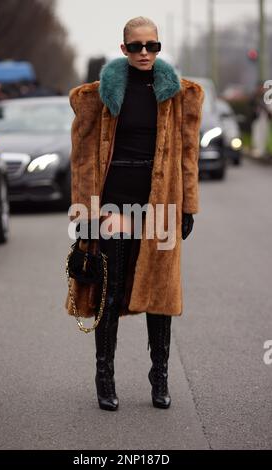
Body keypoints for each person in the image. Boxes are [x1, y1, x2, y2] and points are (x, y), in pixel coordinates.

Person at [65, 16, 204, 411]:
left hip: (159, 206)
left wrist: (189, 206)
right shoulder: (97, 96)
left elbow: (188, 157)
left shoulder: (179, 96)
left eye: (153, 46)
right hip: (112, 208)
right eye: (138, 46)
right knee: (108, 294)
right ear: (124, 49)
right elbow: (83, 160)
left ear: (159, 48)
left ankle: (158, 377)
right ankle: (104, 377)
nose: (146, 53)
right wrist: (85, 209)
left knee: (160, 297)